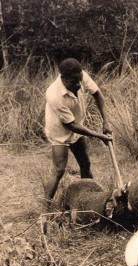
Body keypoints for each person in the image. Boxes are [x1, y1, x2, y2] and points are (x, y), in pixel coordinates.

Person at [44, 58, 113, 205]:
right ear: (63, 78)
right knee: (59, 170)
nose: (78, 85)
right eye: (73, 82)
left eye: (79, 81)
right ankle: (45, 208)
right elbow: (71, 125)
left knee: (85, 163)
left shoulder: (81, 76)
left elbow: (97, 94)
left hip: (77, 125)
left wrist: (105, 121)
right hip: (59, 131)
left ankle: (90, 200)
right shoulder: (53, 95)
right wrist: (99, 136)